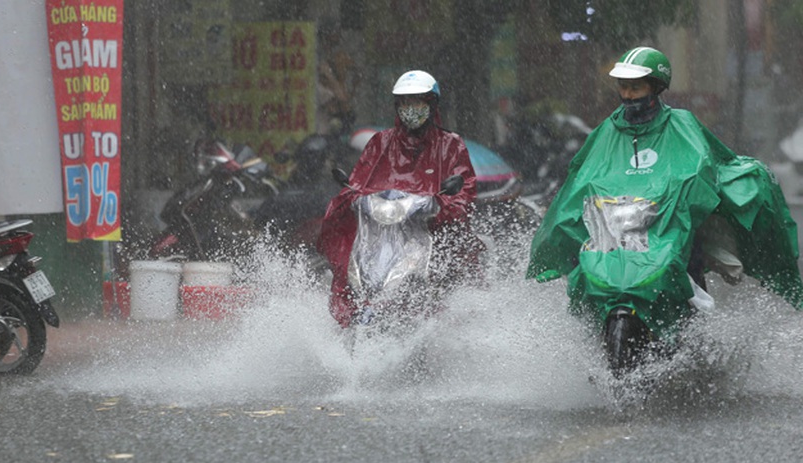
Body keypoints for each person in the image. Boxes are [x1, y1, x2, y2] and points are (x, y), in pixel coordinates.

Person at [526, 46, 803, 332]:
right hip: (616, 224)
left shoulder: (682, 124)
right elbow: (581, 179)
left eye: (636, 87)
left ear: (656, 87)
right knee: (584, 266)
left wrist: (685, 193)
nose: (628, 95)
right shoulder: (606, 131)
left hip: (669, 222)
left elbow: (706, 164)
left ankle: (693, 334)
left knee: (688, 254)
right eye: (624, 87)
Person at [317, 70, 482, 327]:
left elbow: (464, 192)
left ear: (431, 104)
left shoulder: (451, 145)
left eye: (417, 101)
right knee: (348, 269)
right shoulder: (380, 143)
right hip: (381, 235)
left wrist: (441, 205)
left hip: (432, 234)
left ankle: (442, 328)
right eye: (405, 102)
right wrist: (350, 197)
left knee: (448, 277)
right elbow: (358, 183)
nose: (410, 108)